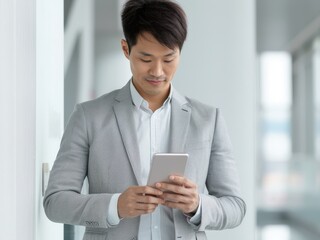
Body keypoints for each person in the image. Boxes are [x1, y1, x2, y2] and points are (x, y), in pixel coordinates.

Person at [43, 0, 246, 239]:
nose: (158, 71)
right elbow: (55, 202)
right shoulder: (89, 117)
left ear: (180, 53)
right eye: (146, 59)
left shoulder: (208, 120)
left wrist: (197, 204)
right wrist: (115, 206)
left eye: (168, 59)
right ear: (126, 49)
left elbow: (235, 207)